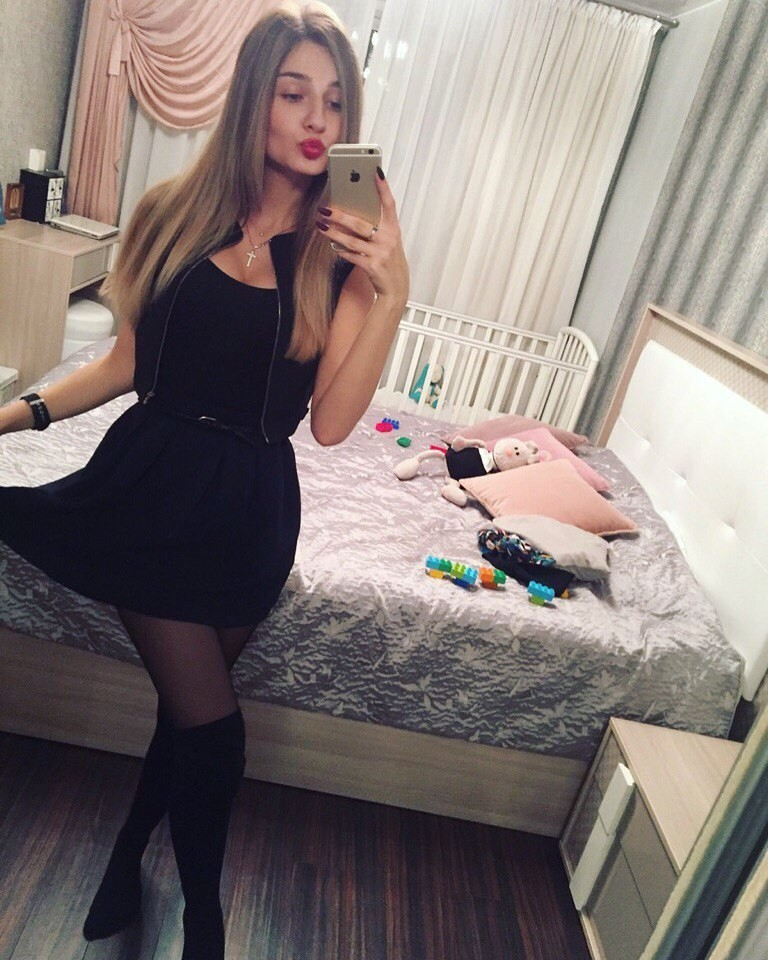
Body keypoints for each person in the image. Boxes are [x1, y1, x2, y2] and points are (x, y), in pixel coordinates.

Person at [0, 3, 409, 958]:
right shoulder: (170, 214)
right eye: (294, 93)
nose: (317, 119)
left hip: (250, 514)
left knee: (187, 716)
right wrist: (13, 415)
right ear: (254, 100)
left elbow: (333, 424)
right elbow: (123, 364)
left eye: (334, 100)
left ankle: (125, 858)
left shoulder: (339, 253)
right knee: (213, 728)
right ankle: (207, 925)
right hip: (148, 491)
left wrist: (391, 291)